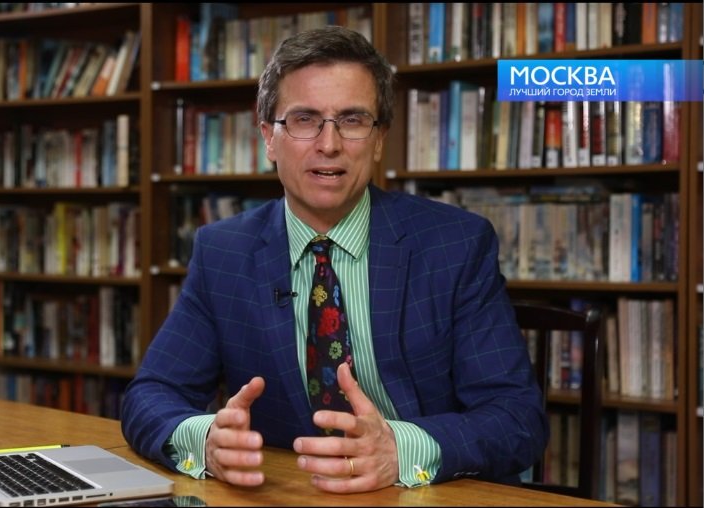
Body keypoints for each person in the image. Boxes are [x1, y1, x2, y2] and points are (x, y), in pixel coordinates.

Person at [121, 25, 548, 494]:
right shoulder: (223, 252)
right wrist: (204, 442)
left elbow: (517, 418)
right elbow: (151, 394)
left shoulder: (456, 245)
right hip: (288, 495)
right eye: (304, 119)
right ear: (268, 138)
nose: (329, 144)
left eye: (352, 120)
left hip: (425, 493)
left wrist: (400, 451)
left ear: (379, 139)